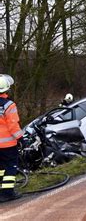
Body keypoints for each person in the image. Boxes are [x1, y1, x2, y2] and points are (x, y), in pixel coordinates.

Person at [0, 74, 24, 202]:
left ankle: (1, 189)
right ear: (6, 89)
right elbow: (13, 126)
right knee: (10, 166)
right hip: (8, 145)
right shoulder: (9, 105)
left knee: (0, 168)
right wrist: (21, 138)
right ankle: (7, 193)